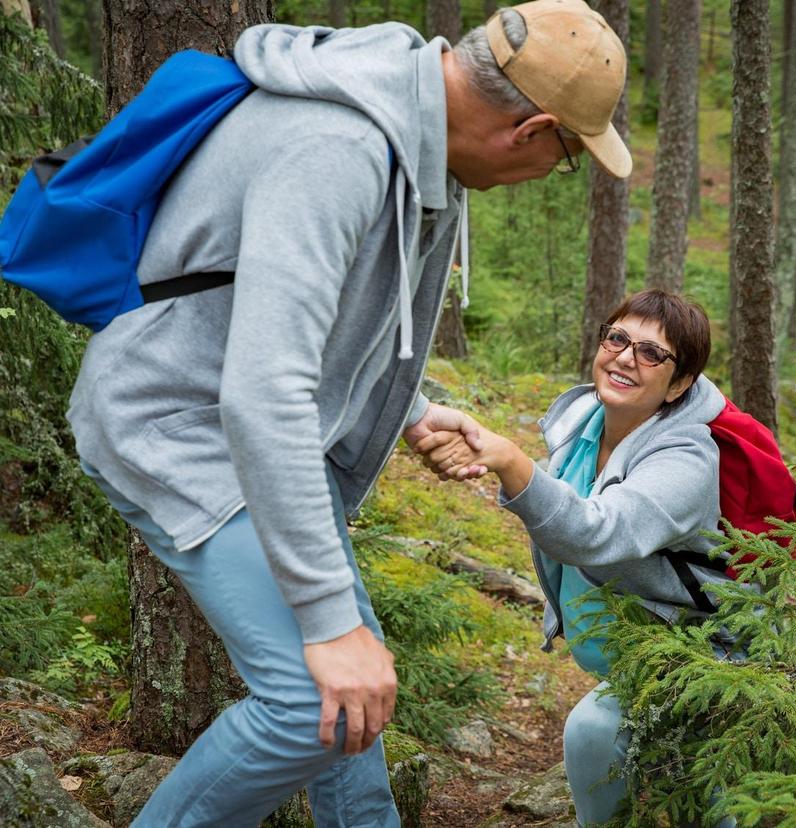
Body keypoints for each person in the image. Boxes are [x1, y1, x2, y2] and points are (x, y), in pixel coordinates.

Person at [65, 2, 632, 825]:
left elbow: (317, 324)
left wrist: (410, 408)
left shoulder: (415, 137)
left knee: (350, 708)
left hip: (256, 427)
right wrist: (330, 622)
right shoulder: (341, 147)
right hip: (178, 427)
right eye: (570, 155)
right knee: (307, 705)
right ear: (532, 129)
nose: (557, 170)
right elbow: (263, 393)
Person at [416, 289, 739, 826]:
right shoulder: (583, 425)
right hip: (631, 660)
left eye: (651, 353)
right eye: (618, 338)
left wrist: (511, 461)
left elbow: (597, 533)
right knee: (693, 796)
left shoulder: (687, 458)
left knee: (597, 734)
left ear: (679, 383)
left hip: (700, 658)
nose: (625, 357)